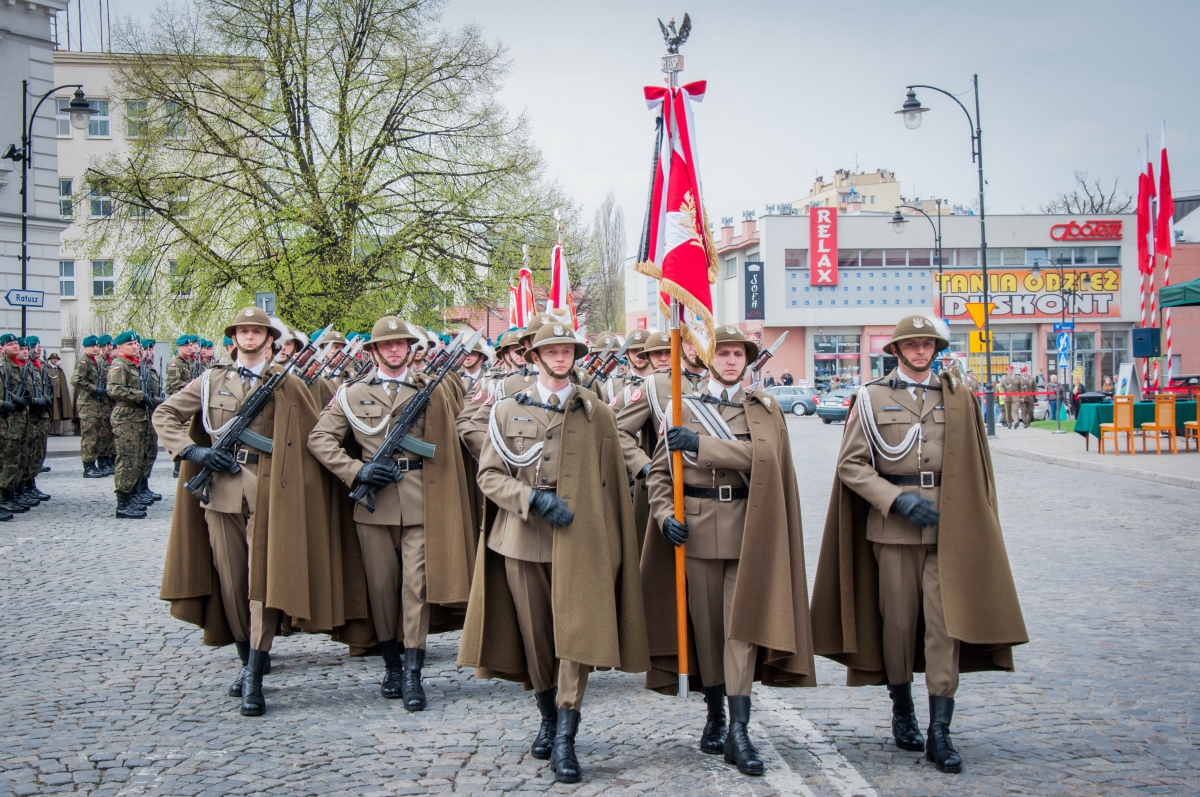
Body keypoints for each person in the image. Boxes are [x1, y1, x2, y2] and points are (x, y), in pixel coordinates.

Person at [812, 315, 1027, 774]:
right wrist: (895, 500)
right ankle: (902, 707)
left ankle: (940, 730)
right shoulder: (871, 398)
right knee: (898, 624)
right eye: (911, 345)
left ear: (936, 348)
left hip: (948, 528)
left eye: (928, 344)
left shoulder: (957, 396)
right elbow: (851, 465)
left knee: (944, 626)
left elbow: (975, 463)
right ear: (896, 350)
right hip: (893, 529)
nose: (920, 351)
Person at [459, 322, 649, 784]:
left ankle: (566, 733)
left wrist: (611, 543)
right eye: (552, 350)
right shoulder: (506, 409)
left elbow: (611, 483)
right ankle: (547, 714)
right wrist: (529, 499)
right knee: (538, 638)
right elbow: (489, 476)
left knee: (574, 637)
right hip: (523, 538)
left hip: (580, 538)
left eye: (568, 351)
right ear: (535, 355)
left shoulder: (597, 413)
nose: (561, 358)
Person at [642, 326, 816, 777]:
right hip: (697, 532)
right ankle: (715, 713)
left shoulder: (763, 407)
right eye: (723, 353)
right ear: (708, 358)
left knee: (740, 631)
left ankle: (740, 729)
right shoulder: (681, 406)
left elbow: (765, 457)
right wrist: (664, 514)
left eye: (739, 354)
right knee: (708, 632)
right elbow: (660, 474)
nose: (732, 360)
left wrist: (701, 445)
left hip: (747, 531)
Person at [155, 306, 344, 717]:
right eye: (243, 331)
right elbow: (164, 413)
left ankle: (255, 673)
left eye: (257, 331)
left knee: (262, 580)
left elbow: (313, 436)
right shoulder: (211, 380)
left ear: (270, 339)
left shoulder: (287, 383)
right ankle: (245, 659)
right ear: (234, 337)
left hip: (270, 492)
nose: (250, 336)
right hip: (221, 490)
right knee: (231, 581)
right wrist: (192, 451)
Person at [309, 315, 477, 710]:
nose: (395, 349)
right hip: (374, 504)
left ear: (410, 349)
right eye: (386, 344)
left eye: (401, 343)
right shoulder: (352, 393)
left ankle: (414, 672)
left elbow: (458, 428)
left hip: (421, 503)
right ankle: (392, 665)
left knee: (415, 588)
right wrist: (356, 470)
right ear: (373, 351)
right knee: (382, 589)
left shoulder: (432, 389)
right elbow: (319, 438)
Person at [614, 331, 704, 552]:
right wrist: (645, 466)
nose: (663, 358)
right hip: (669, 490)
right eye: (657, 354)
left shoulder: (719, 383)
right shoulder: (655, 385)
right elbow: (619, 430)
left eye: (667, 352)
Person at [106, 331, 152, 519]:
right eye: (130, 344)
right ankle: (123, 503)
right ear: (120, 347)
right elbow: (114, 390)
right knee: (127, 460)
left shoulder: (134, 364)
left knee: (137, 460)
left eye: (136, 344)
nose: (135, 346)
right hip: (126, 418)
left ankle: (132, 495)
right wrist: (139, 396)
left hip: (138, 417)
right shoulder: (119, 365)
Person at [45, 352, 73, 436]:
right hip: (51, 395)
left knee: (59, 412)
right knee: (51, 412)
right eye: (53, 359)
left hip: (59, 394)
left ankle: (57, 430)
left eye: (56, 359)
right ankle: (51, 430)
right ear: (50, 360)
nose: (55, 360)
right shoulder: (46, 369)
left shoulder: (59, 370)